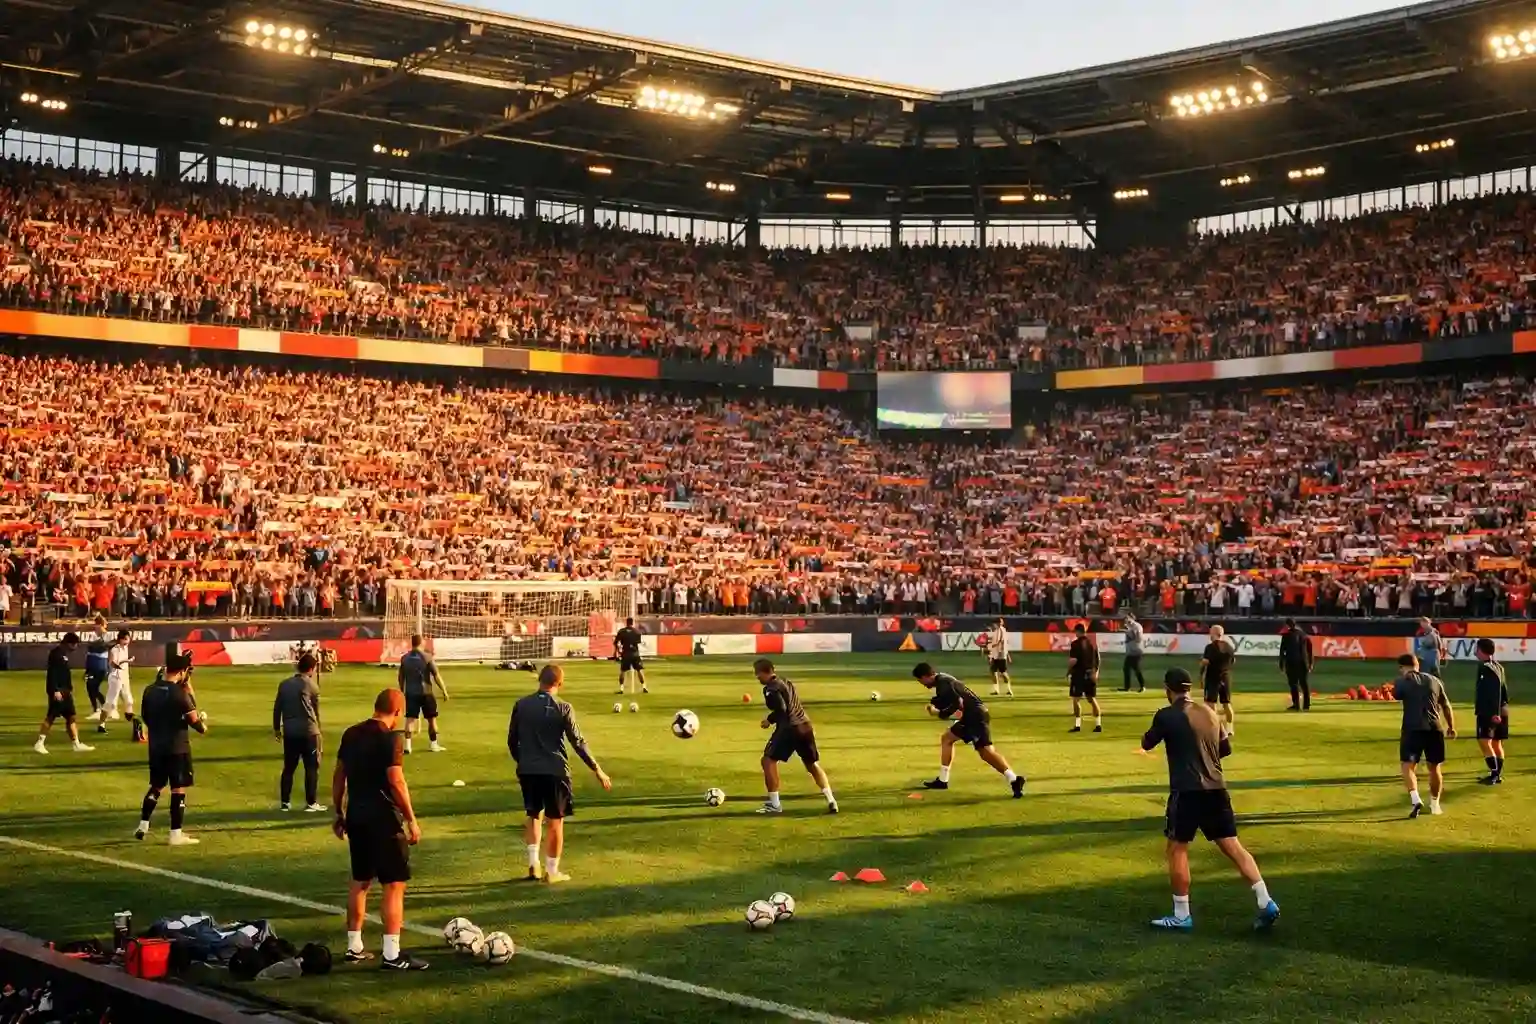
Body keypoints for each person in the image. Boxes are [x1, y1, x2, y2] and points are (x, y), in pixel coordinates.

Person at [1140, 667, 1278, 931]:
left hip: (1187, 791)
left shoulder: (1166, 715)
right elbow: (1225, 749)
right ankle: (1265, 900)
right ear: (1189, 688)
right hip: (1216, 789)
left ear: (1168, 689)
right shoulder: (1211, 712)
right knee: (1233, 847)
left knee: (1177, 849)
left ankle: (1182, 915)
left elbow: (1147, 743)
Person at [332, 689, 426, 970]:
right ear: (397, 712)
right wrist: (411, 818)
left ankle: (354, 946)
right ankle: (392, 954)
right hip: (383, 819)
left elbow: (339, 775)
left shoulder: (351, 733)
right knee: (394, 885)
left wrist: (339, 812)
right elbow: (396, 780)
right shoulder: (391, 738)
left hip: (356, 817)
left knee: (359, 882)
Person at [508, 664, 613, 884]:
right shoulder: (563, 707)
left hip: (528, 770)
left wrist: (523, 761)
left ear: (539, 680)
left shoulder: (521, 705)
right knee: (555, 822)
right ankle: (552, 871)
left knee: (533, 814)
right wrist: (597, 769)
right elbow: (578, 742)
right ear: (560, 683)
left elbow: (512, 740)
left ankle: (532, 864)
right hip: (555, 771)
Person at [913, 663, 1025, 798]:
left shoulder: (943, 683)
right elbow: (951, 699)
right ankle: (943, 780)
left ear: (926, 676)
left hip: (974, 716)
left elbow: (957, 702)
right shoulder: (944, 679)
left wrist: (939, 713)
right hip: (973, 715)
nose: (922, 684)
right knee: (947, 738)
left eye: (920, 680)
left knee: (986, 752)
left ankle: (1014, 779)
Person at [135, 652, 206, 845]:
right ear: (183, 671)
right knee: (178, 788)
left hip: (156, 746)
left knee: (156, 785)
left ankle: (143, 824)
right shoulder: (179, 693)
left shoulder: (149, 690)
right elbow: (195, 721)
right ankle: (175, 834)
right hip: (177, 746)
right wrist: (203, 726)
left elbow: (146, 717)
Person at [753, 658, 838, 815]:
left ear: (765, 672)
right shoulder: (785, 681)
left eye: (758, 675)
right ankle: (831, 800)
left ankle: (775, 805)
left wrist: (769, 720)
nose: (757, 678)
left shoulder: (771, 689)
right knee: (812, 764)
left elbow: (782, 709)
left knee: (767, 761)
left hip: (789, 728)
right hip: (805, 726)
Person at [1394, 653, 1456, 818]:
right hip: (1435, 729)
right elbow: (1446, 705)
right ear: (1417, 665)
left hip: (1412, 728)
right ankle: (1435, 804)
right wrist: (1451, 726)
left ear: (1402, 667)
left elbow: (1396, 695)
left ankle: (1416, 799)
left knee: (1408, 766)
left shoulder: (1403, 681)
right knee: (1435, 768)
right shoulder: (1435, 680)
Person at [274, 652, 326, 813]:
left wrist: (276, 728)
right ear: (311, 668)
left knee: (289, 767)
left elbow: (277, 708)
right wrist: (320, 731)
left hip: (290, 732)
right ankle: (311, 803)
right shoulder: (312, 686)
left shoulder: (284, 684)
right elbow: (316, 713)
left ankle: (285, 803)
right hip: (309, 732)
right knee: (311, 767)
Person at [34, 633, 92, 754]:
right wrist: (55, 690)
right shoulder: (56, 654)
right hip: (58, 692)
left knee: (71, 716)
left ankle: (76, 744)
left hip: (65, 691)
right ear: (69, 643)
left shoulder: (63, 654)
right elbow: (52, 673)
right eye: (75, 644)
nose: (75, 647)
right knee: (51, 717)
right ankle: (39, 743)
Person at [398, 634, 449, 754]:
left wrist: (402, 690)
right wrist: (444, 690)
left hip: (410, 693)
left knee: (410, 720)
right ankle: (434, 744)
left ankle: (408, 746)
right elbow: (436, 675)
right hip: (426, 693)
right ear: (421, 643)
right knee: (432, 720)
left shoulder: (405, 658)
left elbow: (401, 677)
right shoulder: (427, 657)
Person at [1473, 638, 1509, 786]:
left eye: (1476, 648)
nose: (1475, 651)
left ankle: (1494, 774)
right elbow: (1503, 690)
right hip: (1501, 709)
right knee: (1496, 742)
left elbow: (1494, 691)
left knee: (1484, 741)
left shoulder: (1487, 668)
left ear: (1481, 650)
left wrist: (1495, 713)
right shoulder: (1498, 666)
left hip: (1490, 711)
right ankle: (1496, 774)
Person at [101, 629, 143, 742]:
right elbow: (112, 663)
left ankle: (133, 723)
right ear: (120, 639)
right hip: (115, 678)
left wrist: (126, 664)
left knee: (129, 701)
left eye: (128, 639)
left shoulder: (126, 648)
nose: (127, 641)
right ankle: (101, 724)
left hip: (124, 678)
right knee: (110, 702)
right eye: (125, 639)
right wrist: (124, 663)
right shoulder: (115, 649)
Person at [1199, 625, 1236, 734]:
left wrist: (1201, 675)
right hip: (1225, 677)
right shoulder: (1229, 647)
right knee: (1226, 704)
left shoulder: (1210, 647)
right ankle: (1230, 729)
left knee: (1210, 704)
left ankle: (1218, 729)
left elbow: (1205, 662)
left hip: (1213, 678)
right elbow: (1233, 661)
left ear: (1213, 633)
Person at [1066, 624, 1102, 733]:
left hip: (1079, 675)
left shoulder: (1075, 644)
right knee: (1091, 699)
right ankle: (1098, 724)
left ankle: (1077, 725)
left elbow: (1073, 661)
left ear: (1078, 631)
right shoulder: (1093, 643)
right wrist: (1096, 672)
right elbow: (1098, 659)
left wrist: (1068, 672)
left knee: (1076, 699)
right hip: (1090, 674)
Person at [1277, 618, 1314, 711]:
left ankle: (1296, 705)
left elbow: (1282, 652)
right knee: (1304, 684)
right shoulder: (1304, 635)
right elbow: (1310, 650)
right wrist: (1310, 663)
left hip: (1291, 662)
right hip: (1303, 662)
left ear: (1287, 625)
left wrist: (1281, 664)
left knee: (1293, 684)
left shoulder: (1286, 636)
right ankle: (1306, 705)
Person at [84, 615, 112, 727]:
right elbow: (91, 647)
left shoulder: (108, 635)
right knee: (89, 686)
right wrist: (100, 644)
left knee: (94, 686)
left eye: (96, 625)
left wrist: (98, 645)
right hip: (91, 663)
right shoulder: (92, 635)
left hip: (101, 664)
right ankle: (96, 709)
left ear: (101, 625)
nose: (95, 627)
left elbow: (103, 648)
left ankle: (104, 708)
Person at [614, 617, 648, 695]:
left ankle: (621, 689)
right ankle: (644, 687)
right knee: (639, 670)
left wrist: (617, 651)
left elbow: (616, 642)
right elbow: (638, 642)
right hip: (635, 653)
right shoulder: (637, 632)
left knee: (623, 671)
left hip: (626, 653)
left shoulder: (621, 631)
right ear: (632, 623)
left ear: (626, 622)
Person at [984, 617, 1013, 696]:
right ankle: (997, 690)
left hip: (1000, 654)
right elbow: (1004, 643)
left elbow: (1001, 642)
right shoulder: (998, 631)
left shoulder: (1001, 630)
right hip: (997, 654)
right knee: (993, 671)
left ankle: (1008, 689)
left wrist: (990, 647)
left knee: (1002, 672)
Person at [1122, 612, 1146, 692]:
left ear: (1132, 618)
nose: (1126, 620)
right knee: (1127, 669)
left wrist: (1128, 632)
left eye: (1127, 618)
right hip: (1131, 651)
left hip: (1136, 650)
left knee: (1136, 669)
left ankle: (1142, 686)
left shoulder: (1136, 626)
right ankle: (1127, 687)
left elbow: (1137, 638)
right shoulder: (1130, 626)